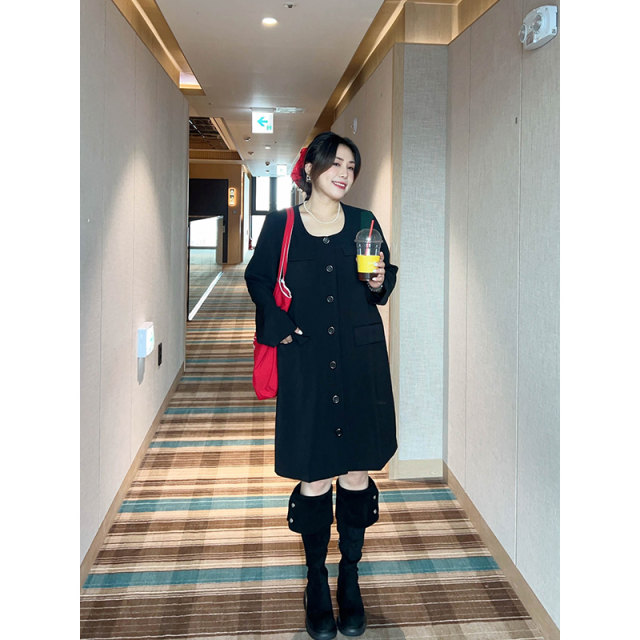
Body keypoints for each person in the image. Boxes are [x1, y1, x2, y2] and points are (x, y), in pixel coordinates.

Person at [244, 131, 398, 640]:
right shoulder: (282, 225)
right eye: (335, 163)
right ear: (311, 168)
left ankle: (350, 577)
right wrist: (282, 328)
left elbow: (382, 282)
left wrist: (377, 281)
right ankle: (315, 580)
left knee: (355, 472)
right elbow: (258, 279)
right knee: (314, 476)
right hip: (307, 364)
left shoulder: (364, 222)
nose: (344, 173)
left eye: (351, 167)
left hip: (359, 363)